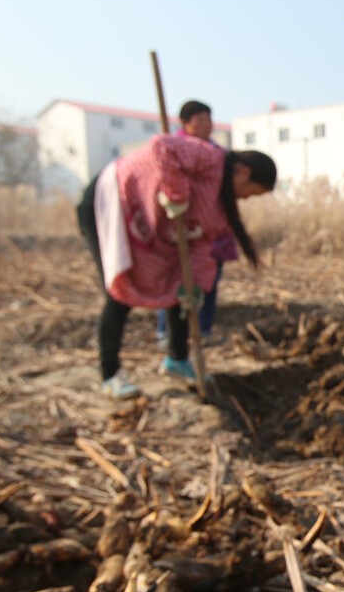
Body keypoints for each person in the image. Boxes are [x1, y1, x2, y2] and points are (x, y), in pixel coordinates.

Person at [76, 133, 275, 398]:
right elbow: (163, 146)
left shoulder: (220, 208)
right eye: (252, 192)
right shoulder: (209, 158)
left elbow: (202, 249)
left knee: (181, 284)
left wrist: (199, 287)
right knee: (118, 291)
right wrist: (176, 195)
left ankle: (177, 360)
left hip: (152, 226)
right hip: (112, 200)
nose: (247, 199)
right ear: (244, 172)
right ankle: (110, 375)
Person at [156, 100, 233, 346]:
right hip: (183, 229)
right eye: (200, 120)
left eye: (208, 120)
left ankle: (203, 331)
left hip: (211, 228)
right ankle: (166, 333)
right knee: (175, 283)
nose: (206, 126)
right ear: (186, 123)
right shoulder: (175, 150)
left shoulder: (217, 153)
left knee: (209, 279)